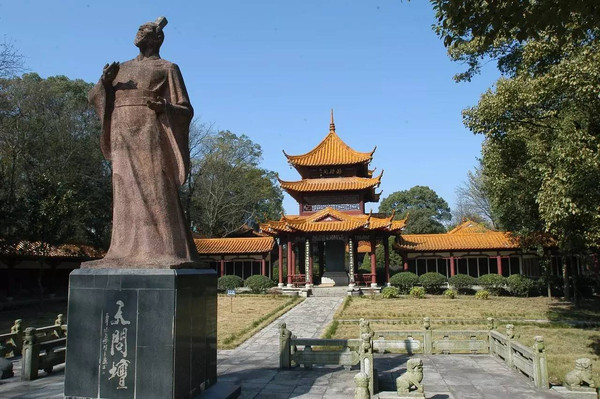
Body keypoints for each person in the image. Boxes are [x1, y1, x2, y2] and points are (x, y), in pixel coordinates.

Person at [86, 17, 198, 268]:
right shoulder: (121, 68)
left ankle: (165, 249)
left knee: (156, 185)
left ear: (157, 38)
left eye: (143, 30)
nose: (138, 33)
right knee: (124, 187)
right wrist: (103, 83)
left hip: (149, 130)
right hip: (121, 131)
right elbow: (94, 98)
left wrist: (165, 107)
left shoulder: (168, 68)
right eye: (137, 29)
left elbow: (186, 109)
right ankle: (122, 250)